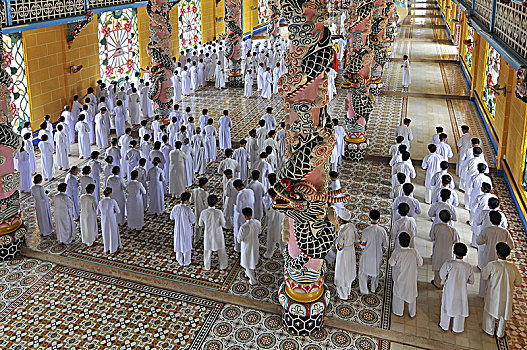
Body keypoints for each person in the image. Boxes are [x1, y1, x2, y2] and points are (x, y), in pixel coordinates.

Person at [481, 243, 522, 338]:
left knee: (490, 312)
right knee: (504, 314)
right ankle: (500, 333)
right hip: (507, 295)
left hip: (493, 294)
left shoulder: (492, 265)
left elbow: (484, 276)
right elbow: (518, 281)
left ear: (497, 254)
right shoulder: (512, 268)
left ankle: (489, 331)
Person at [439, 242, 474, 333]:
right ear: (465, 254)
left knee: (446, 305)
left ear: (454, 252)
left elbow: (442, 275)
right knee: (460, 309)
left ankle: (444, 326)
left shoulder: (449, 264)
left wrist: (447, 279)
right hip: (462, 291)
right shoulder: (468, 267)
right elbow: (472, 281)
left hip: (450, 289)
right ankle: (457, 328)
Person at [477, 211, 515, 296]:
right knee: (496, 277)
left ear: (490, 220)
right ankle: (492, 295)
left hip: (487, 255)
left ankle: (482, 293)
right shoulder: (505, 232)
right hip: (500, 258)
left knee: (485, 274)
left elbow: (478, 241)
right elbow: (511, 246)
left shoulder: (486, 230)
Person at [389, 232, 423, 318]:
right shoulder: (414, 252)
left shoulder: (397, 252)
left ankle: (398, 312)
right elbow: (420, 263)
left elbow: (391, 263)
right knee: (411, 296)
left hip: (400, 278)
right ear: (410, 242)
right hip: (411, 278)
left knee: (398, 295)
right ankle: (412, 313)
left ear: (399, 243)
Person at [358, 209, 388, 295]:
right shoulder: (382, 231)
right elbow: (386, 244)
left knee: (363, 272)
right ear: (379, 219)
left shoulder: (366, 231)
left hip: (367, 254)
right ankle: (373, 288)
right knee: (376, 272)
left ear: (369, 218)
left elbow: (362, 245)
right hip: (378, 254)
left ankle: (364, 290)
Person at [430, 210, 460, 289]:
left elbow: (432, 237)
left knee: (437, 267)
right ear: (450, 219)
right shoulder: (453, 230)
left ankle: (437, 282)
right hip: (448, 252)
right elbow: (456, 241)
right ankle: (446, 283)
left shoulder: (436, 227)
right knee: (447, 268)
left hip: (437, 250)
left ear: (439, 217)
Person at [334, 208, 358, 300]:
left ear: (341, 220)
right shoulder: (352, 226)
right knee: (348, 272)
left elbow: (339, 247)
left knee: (341, 274)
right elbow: (356, 238)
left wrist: (335, 241)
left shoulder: (342, 231)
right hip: (351, 251)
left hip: (343, 253)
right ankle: (347, 292)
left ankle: (342, 295)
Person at [199, 194, 228, 270]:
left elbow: (200, 224)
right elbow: (223, 224)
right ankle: (223, 265)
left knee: (207, 252)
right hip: (218, 234)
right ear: (216, 203)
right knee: (221, 251)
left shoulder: (203, 212)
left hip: (208, 234)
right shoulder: (219, 212)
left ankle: (207, 266)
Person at [171, 192, 196, 266]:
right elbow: (193, 220)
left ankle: (179, 260)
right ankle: (187, 261)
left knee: (178, 243)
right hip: (186, 229)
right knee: (186, 245)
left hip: (178, 228)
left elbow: (171, 217)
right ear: (187, 200)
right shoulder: (188, 209)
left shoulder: (175, 207)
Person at [237, 207, 261, 285]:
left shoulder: (244, 227)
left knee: (247, 263)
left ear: (244, 216)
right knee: (252, 259)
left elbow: (239, 239)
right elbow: (259, 231)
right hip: (255, 244)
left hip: (247, 246)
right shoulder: (257, 222)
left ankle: (252, 280)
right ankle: (248, 273)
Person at [233, 179, 255, 251]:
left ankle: (238, 248)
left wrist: (235, 206)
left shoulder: (240, 194)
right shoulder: (250, 191)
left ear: (237, 188)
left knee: (239, 231)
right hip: (250, 213)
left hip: (242, 216)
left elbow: (238, 209)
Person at [98, 187, 121, 254]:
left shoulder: (101, 202)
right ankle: (113, 248)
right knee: (112, 232)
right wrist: (113, 214)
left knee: (106, 233)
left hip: (104, 219)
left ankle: (107, 248)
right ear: (110, 194)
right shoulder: (112, 201)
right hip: (112, 219)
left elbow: (98, 212)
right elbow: (118, 211)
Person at [265, 188, 285, 258]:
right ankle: (283, 252)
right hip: (283, 224)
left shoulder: (274, 205)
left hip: (274, 225)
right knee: (282, 240)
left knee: (271, 240)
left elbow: (271, 217)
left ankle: (269, 254)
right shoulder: (283, 201)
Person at [191, 177, 209, 242]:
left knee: (197, 225)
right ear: (203, 185)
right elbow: (206, 204)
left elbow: (191, 200)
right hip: (203, 211)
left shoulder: (194, 191)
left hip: (196, 210)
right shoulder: (205, 193)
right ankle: (206, 239)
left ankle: (196, 239)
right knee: (205, 225)